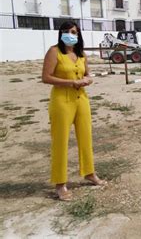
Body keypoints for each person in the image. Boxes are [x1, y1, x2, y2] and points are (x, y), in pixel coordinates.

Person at [42, 21, 106, 201]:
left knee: (86, 137)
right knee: (60, 141)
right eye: (66, 31)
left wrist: (87, 80)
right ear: (60, 33)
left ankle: (89, 172)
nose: (70, 34)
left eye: (73, 31)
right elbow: (46, 77)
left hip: (81, 99)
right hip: (62, 100)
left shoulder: (80, 53)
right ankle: (60, 183)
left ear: (78, 34)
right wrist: (71, 83)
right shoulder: (54, 52)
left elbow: (88, 74)